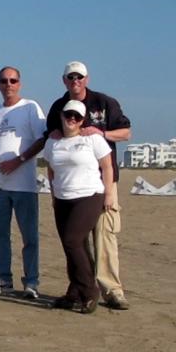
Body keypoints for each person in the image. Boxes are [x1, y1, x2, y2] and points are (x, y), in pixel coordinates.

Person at [44, 61, 132, 310]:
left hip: (101, 183)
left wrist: (100, 133)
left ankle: (112, 290)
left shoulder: (104, 103)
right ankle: (77, 288)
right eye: (71, 77)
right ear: (64, 80)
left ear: (86, 78)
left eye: (79, 77)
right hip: (66, 187)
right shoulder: (58, 107)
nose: (75, 81)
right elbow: (51, 136)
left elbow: (126, 132)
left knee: (104, 238)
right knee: (76, 242)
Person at [0, 66, 47, 298]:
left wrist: (19, 160)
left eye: (13, 81)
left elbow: (41, 140)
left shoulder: (30, 108)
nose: (9, 85)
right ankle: (3, 278)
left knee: (29, 236)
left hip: (24, 185)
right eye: (4, 81)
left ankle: (31, 282)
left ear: (20, 83)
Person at [42, 100, 116, 314]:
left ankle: (90, 290)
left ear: (83, 120)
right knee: (74, 247)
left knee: (72, 241)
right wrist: (54, 195)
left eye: (77, 116)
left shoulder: (92, 139)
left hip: (89, 195)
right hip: (63, 198)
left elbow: (107, 166)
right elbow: (51, 169)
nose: (71, 119)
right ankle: (74, 292)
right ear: (62, 116)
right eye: (68, 115)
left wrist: (109, 194)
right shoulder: (53, 141)